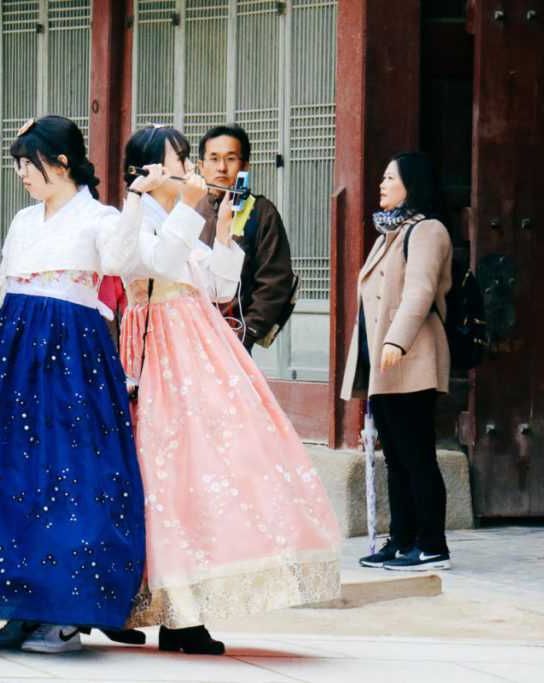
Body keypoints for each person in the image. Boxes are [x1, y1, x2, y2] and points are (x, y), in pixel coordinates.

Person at [117, 125, 342, 654]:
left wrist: (219, 234)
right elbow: (151, 267)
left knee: (206, 474)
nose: (190, 172)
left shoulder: (187, 218)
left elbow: (219, 287)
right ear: (148, 172)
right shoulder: (133, 219)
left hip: (199, 351)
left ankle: (186, 613)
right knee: (160, 476)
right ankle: (146, 603)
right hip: (160, 359)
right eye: (178, 162)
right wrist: (181, 209)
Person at [0, 115, 153, 654]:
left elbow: (128, 263)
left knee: (71, 477)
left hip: (72, 357)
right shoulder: (23, 220)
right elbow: (7, 292)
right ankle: (19, 602)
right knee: (9, 478)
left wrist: (135, 202)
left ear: (61, 162)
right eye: (18, 164)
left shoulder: (100, 217)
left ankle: (67, 611)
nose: (21, 174)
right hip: (15, 356)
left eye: (27, 163)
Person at [342, 152, 453, 572]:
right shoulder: (388, 233)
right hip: (383, 363)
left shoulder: (427, 230)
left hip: (412, 357)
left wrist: (397, 342)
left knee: (416, 453)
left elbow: (420, 292)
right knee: (396, 457)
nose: (382, 184)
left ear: (413, 183)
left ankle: (432, 544)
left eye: (391, 178)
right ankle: (402, 538)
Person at [196, 124, 296, 350]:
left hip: (234, 339)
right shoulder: (189, 209)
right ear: (201, 166)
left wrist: (246, 333)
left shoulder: (260, 212)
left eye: (230, 159)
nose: (221, 167)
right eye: (213, 159)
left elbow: (274, 281)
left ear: (245, 166)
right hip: (188, 335)